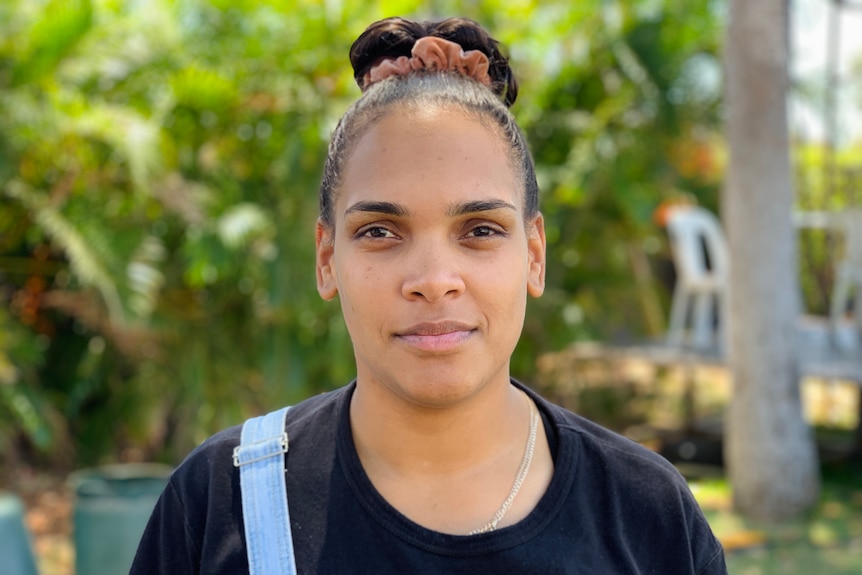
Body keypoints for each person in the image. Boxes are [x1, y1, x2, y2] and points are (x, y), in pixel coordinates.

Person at [131, 16, 727, 574]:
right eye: (380, 232)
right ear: (326, 258)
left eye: (481, 230)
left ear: (535, 256)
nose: (434, 277)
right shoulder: (221, 501)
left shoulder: (647, 515)